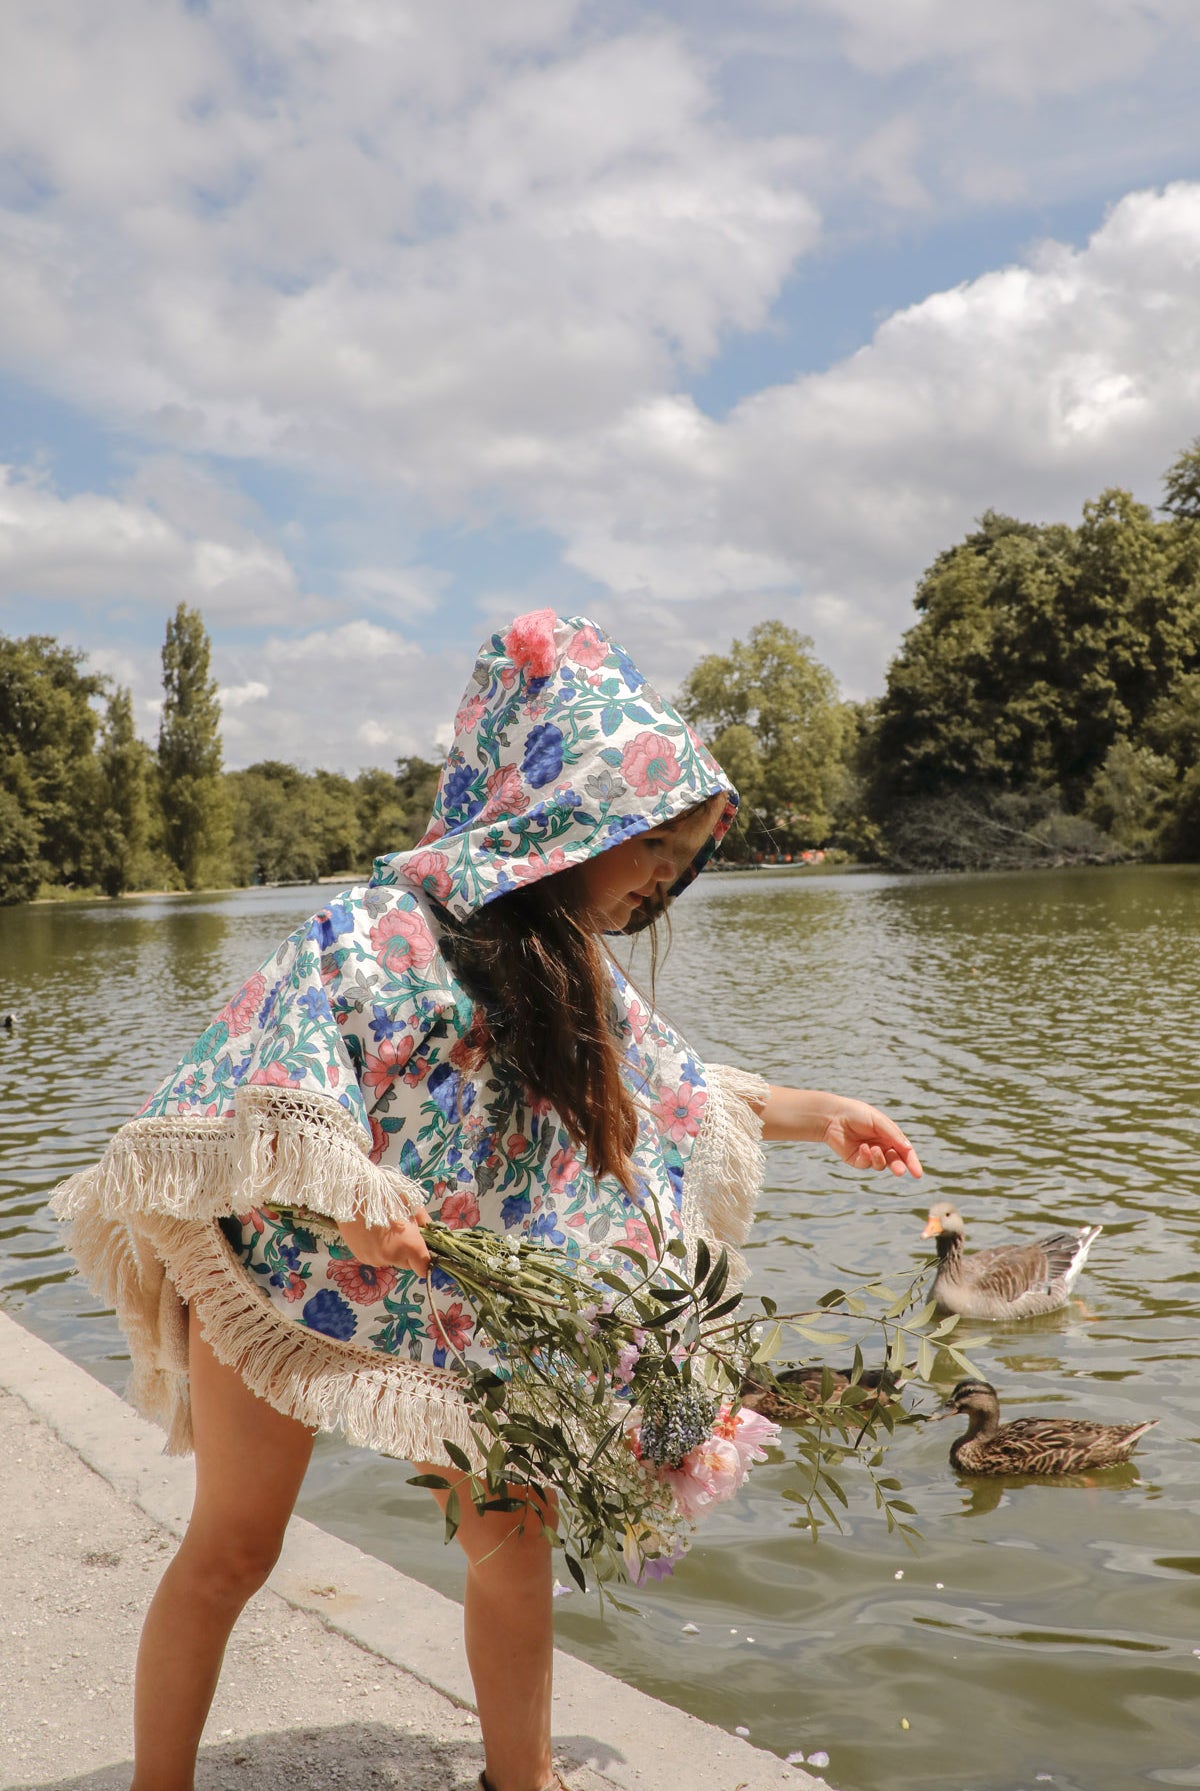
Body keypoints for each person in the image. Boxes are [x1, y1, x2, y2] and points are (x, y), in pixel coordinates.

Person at [54, 608, 922, 1791]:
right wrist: (350, 1189)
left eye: (675, 858)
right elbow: (274, 1077)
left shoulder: (574, 968)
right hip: (291, 1273)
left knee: (515, 1542)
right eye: (648, 849)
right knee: (233, 1548)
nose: (659, 881)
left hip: (465, 1308)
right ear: (568, 824)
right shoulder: (377, 928)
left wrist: (820, 1112)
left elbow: (664, 1098)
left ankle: (524, 1778)